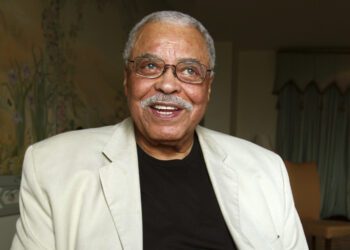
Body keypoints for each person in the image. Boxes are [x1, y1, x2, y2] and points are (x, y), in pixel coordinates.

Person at [11, 10, 308, 250]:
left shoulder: (267, 170)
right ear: (127, 80)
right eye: (150, 66)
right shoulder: (50, 166)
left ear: (208, 88)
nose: (167, 85)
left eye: (190, 70)